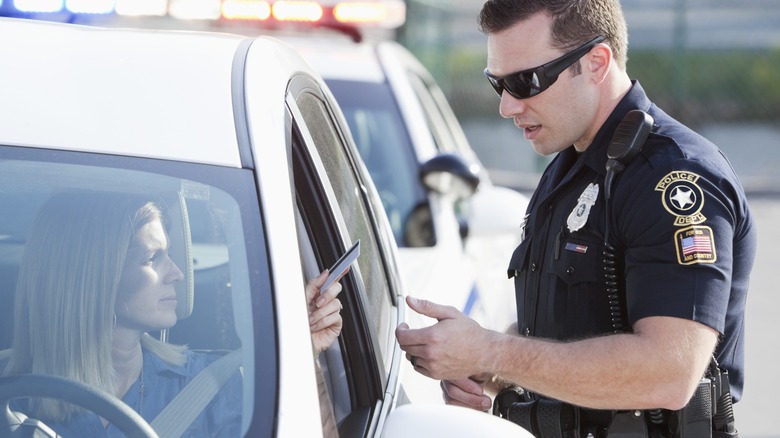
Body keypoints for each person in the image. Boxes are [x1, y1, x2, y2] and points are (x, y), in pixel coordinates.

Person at [395, 0, 757, 436]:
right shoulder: (571, 165)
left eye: (526, 81)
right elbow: (569, 324)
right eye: (498, 85)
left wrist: (493, 353)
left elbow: (669, 372)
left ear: (596, 62)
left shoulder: (674, 177)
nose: (507, 106)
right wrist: (485, 367)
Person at [4, 191, 344, 437]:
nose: (178, 273)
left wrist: (303, 358)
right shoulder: (12, 398)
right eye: (153, 258)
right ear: (94, 278)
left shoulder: (215, 386)